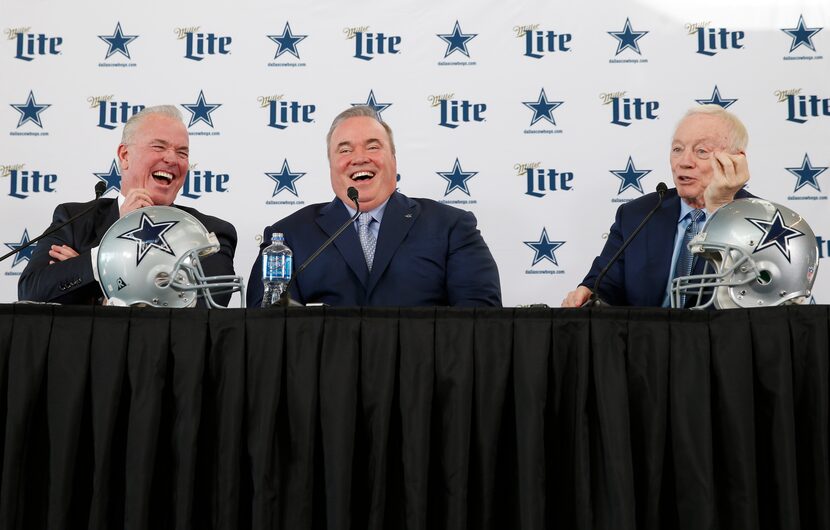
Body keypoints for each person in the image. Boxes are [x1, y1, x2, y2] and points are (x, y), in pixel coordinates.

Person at [247, 105, 502, 307]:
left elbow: (480, 320)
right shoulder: (288, 235)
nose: (359, 158)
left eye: (373, 146)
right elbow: (267, 329)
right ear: (331, 166)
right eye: (344, 150)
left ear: (393, 159)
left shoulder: (451, 227)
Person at [18, 105, 238, 306]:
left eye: (182, 152)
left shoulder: (209, 232)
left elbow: (205, 309)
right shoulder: (73, 220)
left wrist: (87, 272)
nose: (172, 159)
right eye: (158, 147)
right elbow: (31, 293)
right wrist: (107, 251)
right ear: (124, 156)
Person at [561, 104, 753, 308]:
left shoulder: (761, 220)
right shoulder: (637, 215)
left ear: (735, 160)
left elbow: (753, 295)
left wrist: (721, 208)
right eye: (677, 149)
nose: (684, 162)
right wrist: (589, 294)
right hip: (644, 338)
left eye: (701, 151)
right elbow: (604, 285)